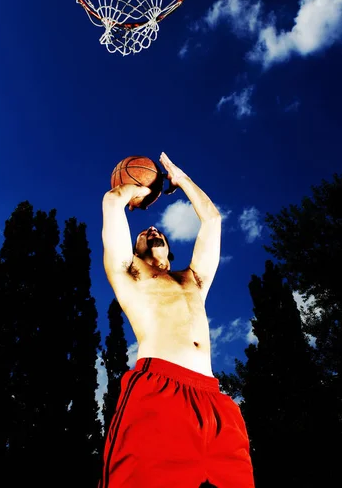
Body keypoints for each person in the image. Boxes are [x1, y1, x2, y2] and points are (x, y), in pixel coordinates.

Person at [98, 152, 254, 488]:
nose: (152, 230)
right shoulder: (128, 274)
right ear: (134, 249)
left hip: (216, 403)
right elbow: (112, 201)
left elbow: (212, 219)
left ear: (169, 252)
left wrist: (181, 179)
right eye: (143, 234)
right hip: (158, 390)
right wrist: (143, 188)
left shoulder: (193, 280)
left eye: (158, 233)